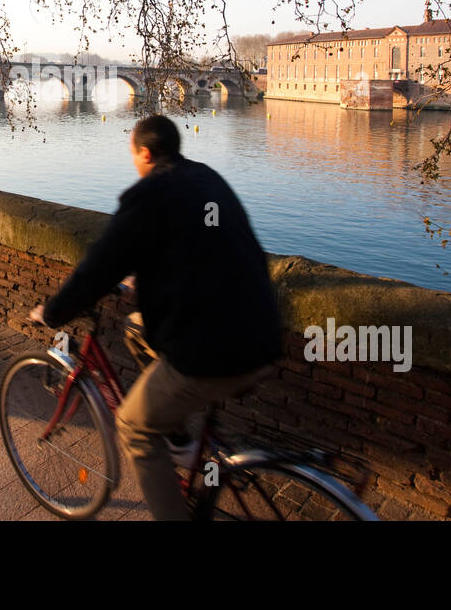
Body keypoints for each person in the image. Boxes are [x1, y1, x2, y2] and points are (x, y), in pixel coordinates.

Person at [29, 113, 284, 520]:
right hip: (263, 331)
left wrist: (54, 312)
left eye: (133, 156)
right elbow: (197, 251)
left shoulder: (149, 194)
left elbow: (98, 268)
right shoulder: (207, 179)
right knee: (136, 327)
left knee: (133, 427)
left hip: (214, 349)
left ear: (145, 153)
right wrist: (145, 281)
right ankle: (180, 438)